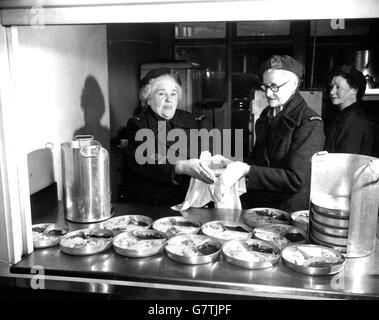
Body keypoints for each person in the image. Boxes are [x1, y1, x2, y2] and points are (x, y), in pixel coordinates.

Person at [215, 55, 325, 212]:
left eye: (274, 87)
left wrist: (247, 170)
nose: (268, 93)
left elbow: (295, 180)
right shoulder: (267, 114)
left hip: (286, 209)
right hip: (261, 206)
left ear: (294, 85)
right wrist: (230, 163)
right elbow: (260, 161)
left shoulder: (309, 122)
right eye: (265, 86)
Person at [121, 67, 224, 206]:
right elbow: (144, 162)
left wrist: (212, 160)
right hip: (155, 200)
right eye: (162, 94)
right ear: (149, 99)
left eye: (173, 94)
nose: (169, 99)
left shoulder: (188, 119)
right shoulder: (138, 124)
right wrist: (179, 166)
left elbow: (202, 149)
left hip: (189, 196)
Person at [324, 64, 373, 155]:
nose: (331, 92)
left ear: (354, 90)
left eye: (338, 87)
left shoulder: (354, 121)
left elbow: (346, 162)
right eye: (331, 87)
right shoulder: (343, 116)